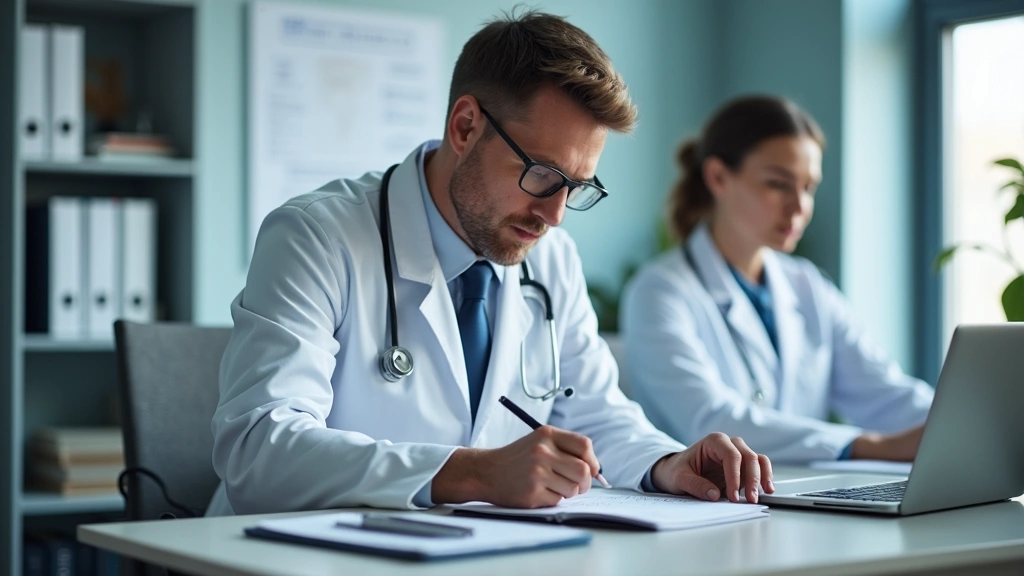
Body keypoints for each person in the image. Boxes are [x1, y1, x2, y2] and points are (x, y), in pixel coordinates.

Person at [207, 11, 773, 516]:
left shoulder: (551, 258)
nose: (554, 215)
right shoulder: (317, 236)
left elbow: (597, 414)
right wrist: (474, 472)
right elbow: (258, 446)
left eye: (575, 187)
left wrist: (668, 463)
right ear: (465, 126)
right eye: (543, 176)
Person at [620, 95, 934, 464]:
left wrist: (952, 424)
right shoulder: (660, 292)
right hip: (702, 506)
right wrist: (869, 447)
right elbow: (709, 419)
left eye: (808, 187)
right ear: (718, 177)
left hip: (803, 498)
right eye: (778, 184)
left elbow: (884, 393)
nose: (799, 207)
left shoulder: (809, 287)